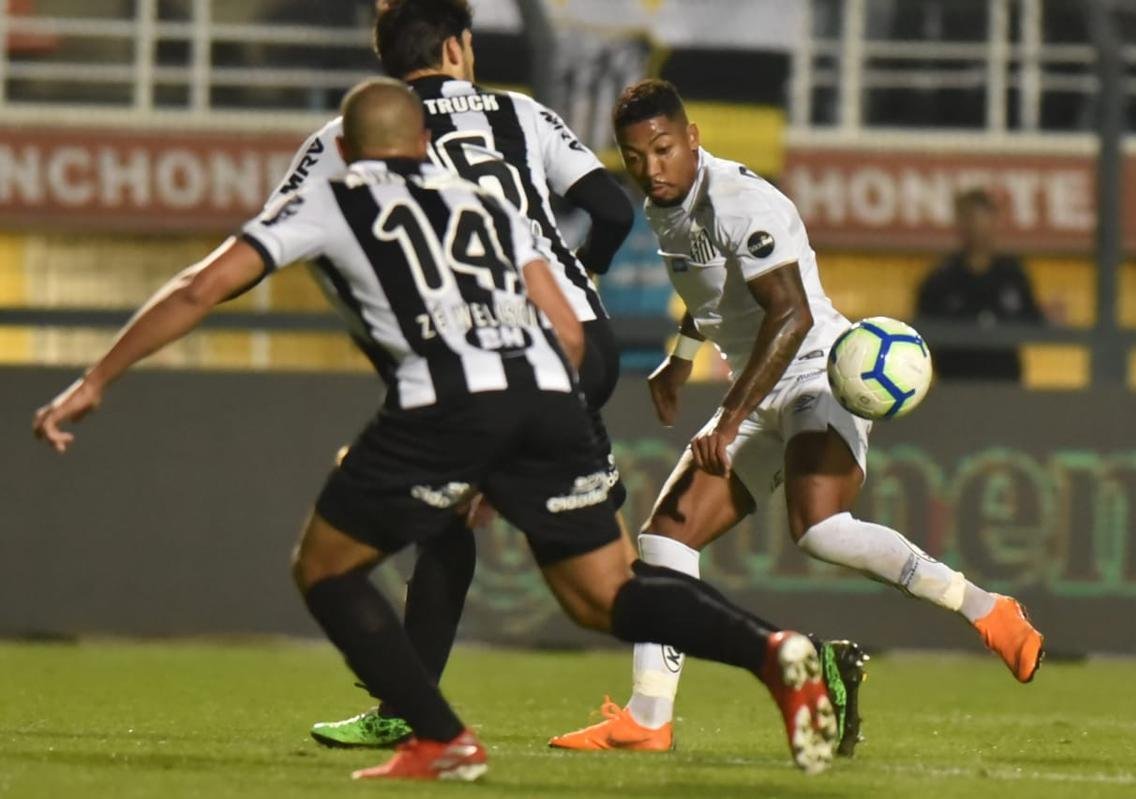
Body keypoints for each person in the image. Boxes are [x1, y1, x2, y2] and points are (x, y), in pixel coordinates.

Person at [32, 78, 856, 781]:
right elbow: (564, 321)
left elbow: (198, 288)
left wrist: (97, 378)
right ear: (424, 141)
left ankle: (439, 736)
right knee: (607, 595)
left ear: (346, 148)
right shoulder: (487, 198)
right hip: (547, 389)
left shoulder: (333, 193)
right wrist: (523, 446)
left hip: (448, 400)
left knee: (324, 566)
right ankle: (773, 650)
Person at [549, 80, 1045, 754]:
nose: (651, 168)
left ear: (692, 138)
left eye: (662, 150)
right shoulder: (669, 205)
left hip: (817, 374)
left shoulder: (740, 200)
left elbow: (791, 314)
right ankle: (648, 718)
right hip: (756, 385)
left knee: (819, 529)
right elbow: (716, 292)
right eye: (635, 158)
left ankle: (986, 608)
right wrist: (682, 357)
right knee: (666, 538)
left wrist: (729, 419)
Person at [267, 0, 637, 748]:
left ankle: (769, 652)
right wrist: (581, 280)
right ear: (459, 47)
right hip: (583, 341)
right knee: (554, 555)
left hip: (490, 354)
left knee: (591, 582)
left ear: (385, 66)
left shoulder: (353, 135)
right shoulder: (522, 113)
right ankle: (758, 658)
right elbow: (611, 210)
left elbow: (283, 234)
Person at [916, 188, 1046, 381]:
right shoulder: (941, 279)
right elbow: (923, 332)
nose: (977, 228)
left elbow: (1033, 321)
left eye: (983, 220)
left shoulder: (1013, 274)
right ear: (960, 224)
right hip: (955, 383)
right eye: (970, 219)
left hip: (1005, 382)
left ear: (994, 223)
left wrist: (1047, 316)